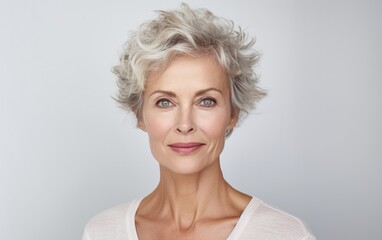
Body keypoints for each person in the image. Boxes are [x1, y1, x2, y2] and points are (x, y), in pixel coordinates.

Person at [82, 3, 316, 240]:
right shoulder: (102, 232)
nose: (185, 125)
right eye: (165, 102)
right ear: (139, 116)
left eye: (206, 101)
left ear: (232, 114)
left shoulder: (285, 234)